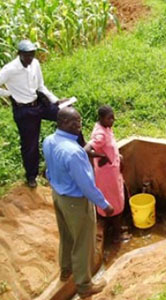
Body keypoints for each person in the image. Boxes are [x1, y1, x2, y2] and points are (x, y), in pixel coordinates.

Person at [43, 107, 114, 299]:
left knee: (66, 235)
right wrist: (104, 204)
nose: (79, 126)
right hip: (76, 202)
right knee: (84, 243)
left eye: (79, 122)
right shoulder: (74, 152)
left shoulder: (49, 141)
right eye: (76, 123)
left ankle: (66, 269)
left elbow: (48, 169)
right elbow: (86, 185)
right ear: (64, 123)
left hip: (58, 196)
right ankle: (84, 286)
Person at [0, 40, 65, 188]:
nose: (30, 58)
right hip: (24, 110)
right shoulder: (10, 69)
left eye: (32, 55)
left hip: (39, 103)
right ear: (19, 54)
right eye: (27, 56)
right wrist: (9, 93)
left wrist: (55, 101)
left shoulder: (35, 63)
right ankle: (31, 176)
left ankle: (81, 148)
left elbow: (41, 86)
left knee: (66, 115)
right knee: (30, 144)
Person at [84, 105, 130, 243]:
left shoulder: (106, 128)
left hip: (112, 171)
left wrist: (117, 156)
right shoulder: (100, 134)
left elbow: (110, 146)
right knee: (114, 203)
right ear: (101, 118)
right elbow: (86, 149)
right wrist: (101, 156)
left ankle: (116, 228)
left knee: (117, 199)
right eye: (109, 118)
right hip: (106, 175)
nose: (113, 120)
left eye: (113, 117)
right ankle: (116, 236)